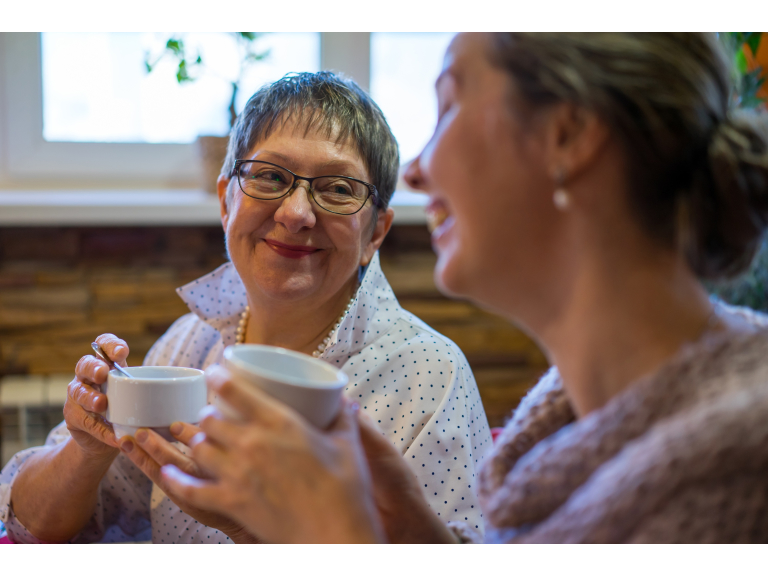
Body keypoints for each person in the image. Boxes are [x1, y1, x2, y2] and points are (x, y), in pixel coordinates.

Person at [157, 32, 768, 543]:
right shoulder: (565, 417)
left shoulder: (735, 472)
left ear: (568, 136)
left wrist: (333, 537)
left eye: (449, 105)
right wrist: (415, 532)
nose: (418, 169)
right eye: (268, 177)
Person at [0, 71, 492, 543]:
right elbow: (30, 527)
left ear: (375, 233)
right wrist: (85, 449)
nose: (297, 214)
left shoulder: (429, 376)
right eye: (270, 177)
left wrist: (249, 529)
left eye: (338, 189)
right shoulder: (189, 344)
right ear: (224, 203)